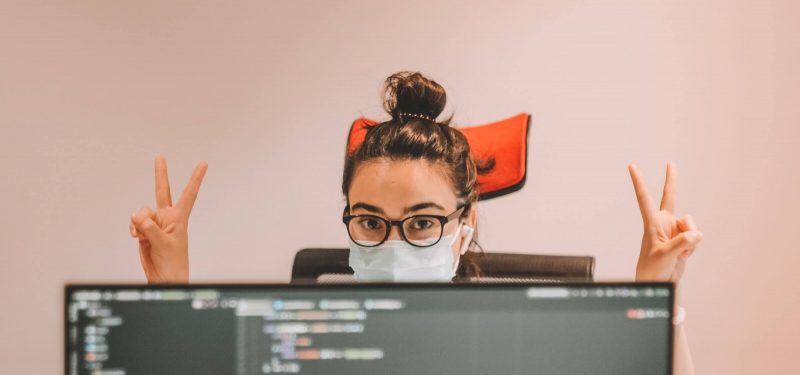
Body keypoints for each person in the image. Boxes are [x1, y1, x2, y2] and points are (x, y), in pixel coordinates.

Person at [128, 71, 702, 374]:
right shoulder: (299, 343)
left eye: (423, 222)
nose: (395, 242)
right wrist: (170, 293)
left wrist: (660, 295)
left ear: (463, 226)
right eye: (371, 222)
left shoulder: (523, 346)